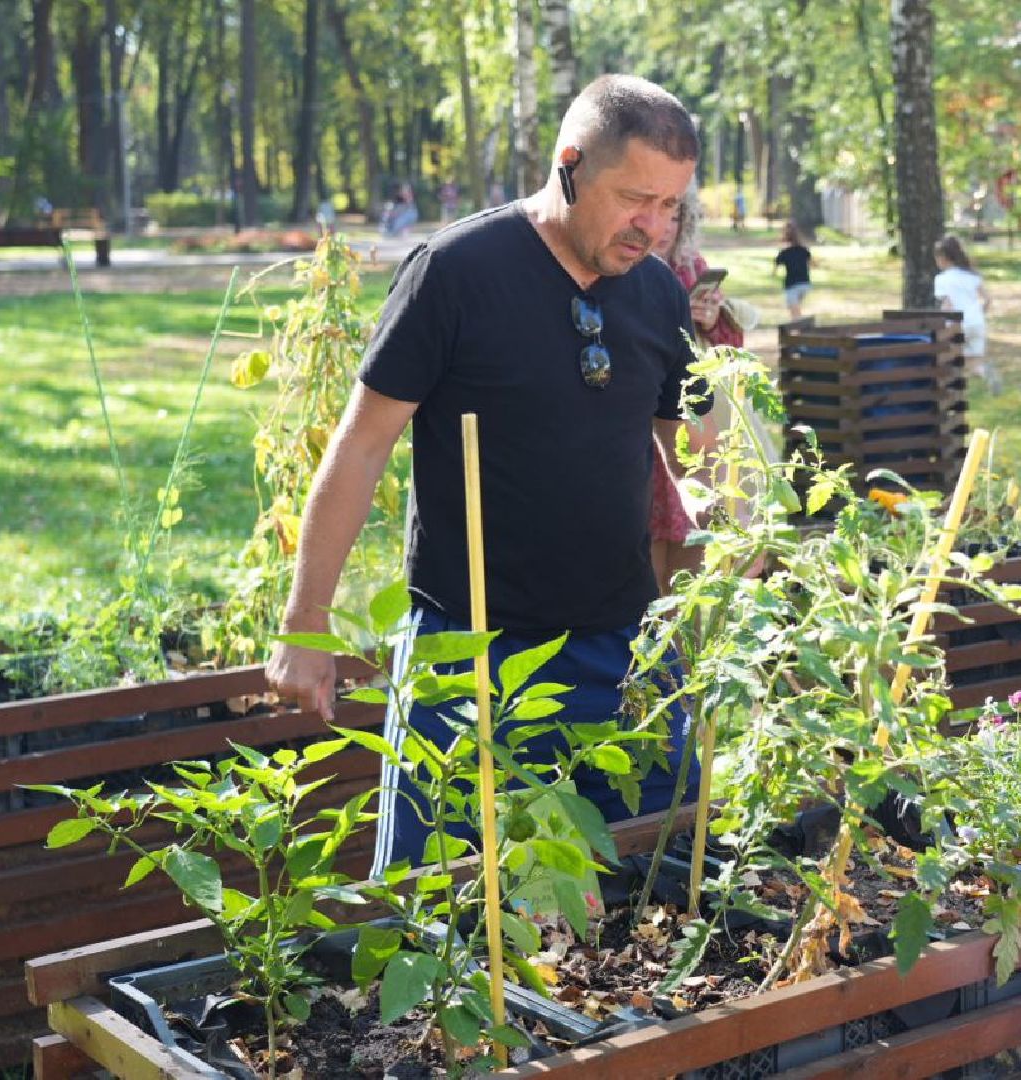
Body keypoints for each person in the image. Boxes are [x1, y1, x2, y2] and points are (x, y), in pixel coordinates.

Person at [266, 74, 708, 875]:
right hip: (467, 654)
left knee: (663, 897)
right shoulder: (455, 272)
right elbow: (360, 446)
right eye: (634, 199)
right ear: (569, 164)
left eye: (671, 206)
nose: (654, 227)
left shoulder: (654, 296)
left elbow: (688, 467)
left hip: (625, 651)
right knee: (437, 915)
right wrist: (306, 624)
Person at [648, 181, 743, 592]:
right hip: (649, 422)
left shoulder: (692, 267)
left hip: (694, 417)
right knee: (648, 571)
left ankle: (686, 655)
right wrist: (675, 316)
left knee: (692, 563)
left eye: (675, 214)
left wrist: (707, 319)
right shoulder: (624, 267)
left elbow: (728, 352)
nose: (666, 225)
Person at [933, 234, 998, 395]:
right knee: (974, 361)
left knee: (950, 358)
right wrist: (978, 315)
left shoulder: (942, 279)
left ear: (943, 258)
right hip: (977, 323)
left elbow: (948, 306)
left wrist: (941, 325)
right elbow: (988, 300)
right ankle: (986, 373)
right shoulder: (972, 276)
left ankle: (952, 391)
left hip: (956, 325)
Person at [774, 221, 813, 320]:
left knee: (794, 311)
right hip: (805, 283)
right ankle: (799, 327)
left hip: (792, 284)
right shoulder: (804, 250)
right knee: (796, 307)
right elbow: (811, 264)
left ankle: (800, 327)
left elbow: (776, 266)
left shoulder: (784, 253)